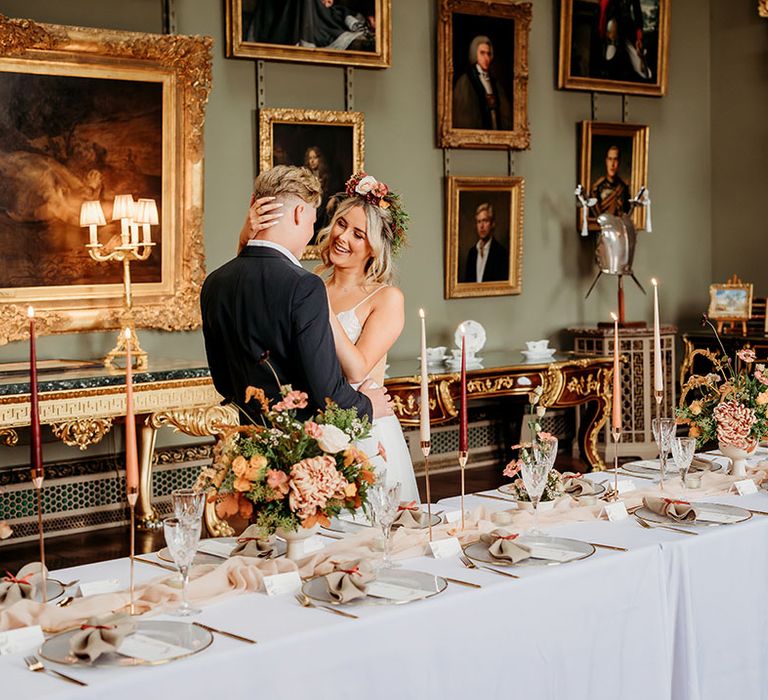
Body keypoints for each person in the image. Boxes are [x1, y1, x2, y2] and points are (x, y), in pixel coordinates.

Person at [244, 172, 419, 501]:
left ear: (374, 248)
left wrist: (318, 301)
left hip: (364, 426)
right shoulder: (310, 284)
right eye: (341, 225)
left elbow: (358, 369)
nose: (343, 238)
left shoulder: (385, 298)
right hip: (314, 427)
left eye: (358, 234)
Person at [201, 165, 391, 428]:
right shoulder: (305, 286)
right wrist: (367, 405)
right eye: (314, 222)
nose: (312, 233)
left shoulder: (215, 282)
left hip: (244, 440)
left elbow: (223, 380)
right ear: (300, 212)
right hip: (299, 442)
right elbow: (325, 388)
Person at [452, 35, 512, 131]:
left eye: (488, 54)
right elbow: (463, 117)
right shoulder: (464, 81)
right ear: (474, 54)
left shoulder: (495, 83)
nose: (486, 58)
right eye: (482, 53)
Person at [597, 0, 651, 81]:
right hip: (612, 27)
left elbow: (637, 13)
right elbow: (604, 8)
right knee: (609, 59)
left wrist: (639, 37)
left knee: (642, 71)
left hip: (627, 27)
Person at [462, 202, 509, 283]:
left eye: (485, 221)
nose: (481, 226)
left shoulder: (501, 253)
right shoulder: (472, 253)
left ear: (492, 224)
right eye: (479, 221)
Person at [589, 145, 630, 218]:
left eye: (615, 159)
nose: (612, 164)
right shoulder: (597, 187)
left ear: (619, 162)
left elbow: (627, 214)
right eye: (610, 159)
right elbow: (593, 215)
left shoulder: (624, 188)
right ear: (606, 161)